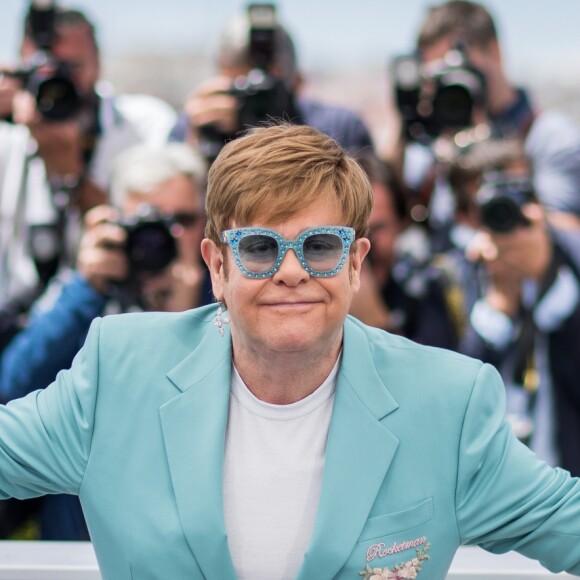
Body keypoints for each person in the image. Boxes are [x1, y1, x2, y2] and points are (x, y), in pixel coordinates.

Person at [0, 124, 579, 579]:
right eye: (259, 247)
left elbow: (567, 523)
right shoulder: (119, 371)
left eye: (321, 246)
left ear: (356, 264)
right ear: (216, 266)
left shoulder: (448, 403)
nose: (293, 272)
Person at [0, 141, 208, 539]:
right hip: (79, 540)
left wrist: (183, 317)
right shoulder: (91, 290)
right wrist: (85, 289)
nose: (164, 237)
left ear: (206, 222)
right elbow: (14, 384)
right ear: (116, 220)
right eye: (147, 221)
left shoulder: (225, 295)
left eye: (182, 219)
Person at [0, 4, 177, 323]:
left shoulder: (146, 126)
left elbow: (152, 241)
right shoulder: (7, 137)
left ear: (98, 62)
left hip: (120, 316)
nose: (59, 86)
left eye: (73, 68)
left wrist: (69, 169)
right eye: (45, 73)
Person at [443, 137, 580, 476]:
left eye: (520, 195)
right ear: (464, 215)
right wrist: (500, 299)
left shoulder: (571, 257)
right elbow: (449, 403)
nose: (508, 213)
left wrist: (549, 275)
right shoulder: (449, 275)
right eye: (491, 203)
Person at [395, 0, 580, 250]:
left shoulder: (550, 138)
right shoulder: (434, 145)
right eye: (441, 77)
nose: (452, 86)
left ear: (494, 51)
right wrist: (406, 122)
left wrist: (484, 145)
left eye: (460, 70)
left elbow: (565, 238)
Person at [170, 7, 373, 161]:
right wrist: (194, 150)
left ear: (298, 82)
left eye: (267, 90)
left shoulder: (339, 128)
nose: (257, 105)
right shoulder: (197, 123)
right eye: (243, 90)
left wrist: (297, 140)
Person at [349, 151, 458, 348]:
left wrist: (377, 323)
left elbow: (435, 372)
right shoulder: (314, 291)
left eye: (377, 229)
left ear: (401, 224)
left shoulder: (421, 287)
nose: (365, 248)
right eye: (352, 234)